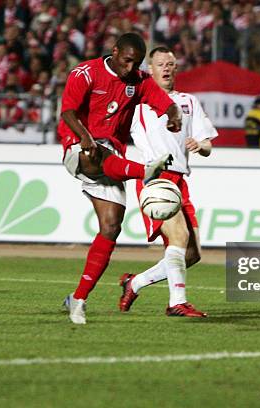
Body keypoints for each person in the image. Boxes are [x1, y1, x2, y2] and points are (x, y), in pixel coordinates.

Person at [58, 33, 182, 325]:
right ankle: (145, 170)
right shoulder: (85, 73)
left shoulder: (138, 80)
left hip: (112, 155)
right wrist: (85, 136)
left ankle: (77, 299)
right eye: (127, 61)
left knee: (111, 227)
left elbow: (164, 102)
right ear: (114, 52)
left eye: (136, 63)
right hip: (79, 145)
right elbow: (67, 111)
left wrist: (173, 115)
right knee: (94, 156)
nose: (130, 68)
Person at [117, 46, 217, 318]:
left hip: (180, 181)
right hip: (155, 178)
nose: (166, 67)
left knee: (192, 254)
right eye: (160, 63)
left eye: (171, 63)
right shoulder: (137, 104)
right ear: (150, 69)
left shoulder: (188, 102)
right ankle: (177, 302)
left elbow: (207, 144)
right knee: (179, 237)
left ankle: (134, 282)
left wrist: (201, 145)